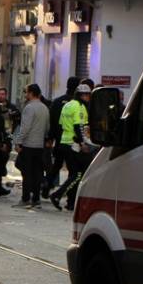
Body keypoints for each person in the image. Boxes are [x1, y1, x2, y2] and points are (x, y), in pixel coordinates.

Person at [50, 83, 94, 211]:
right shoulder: (80, 107)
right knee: (77, 174)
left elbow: (60, 124)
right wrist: (82, 143)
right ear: (81, 95)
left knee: (73, 174)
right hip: (73, 144)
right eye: (86, 95)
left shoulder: (67, 105)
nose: (88, 97)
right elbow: (78, 127)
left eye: (88, 95)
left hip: (64, 142)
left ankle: (67, 200)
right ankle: (58, 195)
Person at [13, 84, 51, 209]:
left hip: (28, 145)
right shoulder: (44, 108)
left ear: (31, 93)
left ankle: (25, 198)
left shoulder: (29, 108)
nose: (25, 95)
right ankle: (36, 199)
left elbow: (25, 127)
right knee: (37, 172)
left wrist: (18, 142)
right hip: (39, 145)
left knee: (27, 173)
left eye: (26, 92)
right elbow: (46, 128)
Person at [46, 76, 79, 198]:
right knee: (73, 171)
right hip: (73, 143)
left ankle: (46, 186)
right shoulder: (77, 104)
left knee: (56, 166)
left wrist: (51, 138)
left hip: (60, 141)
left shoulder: (57, 102)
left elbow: (53, 123)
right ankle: (70, 198)